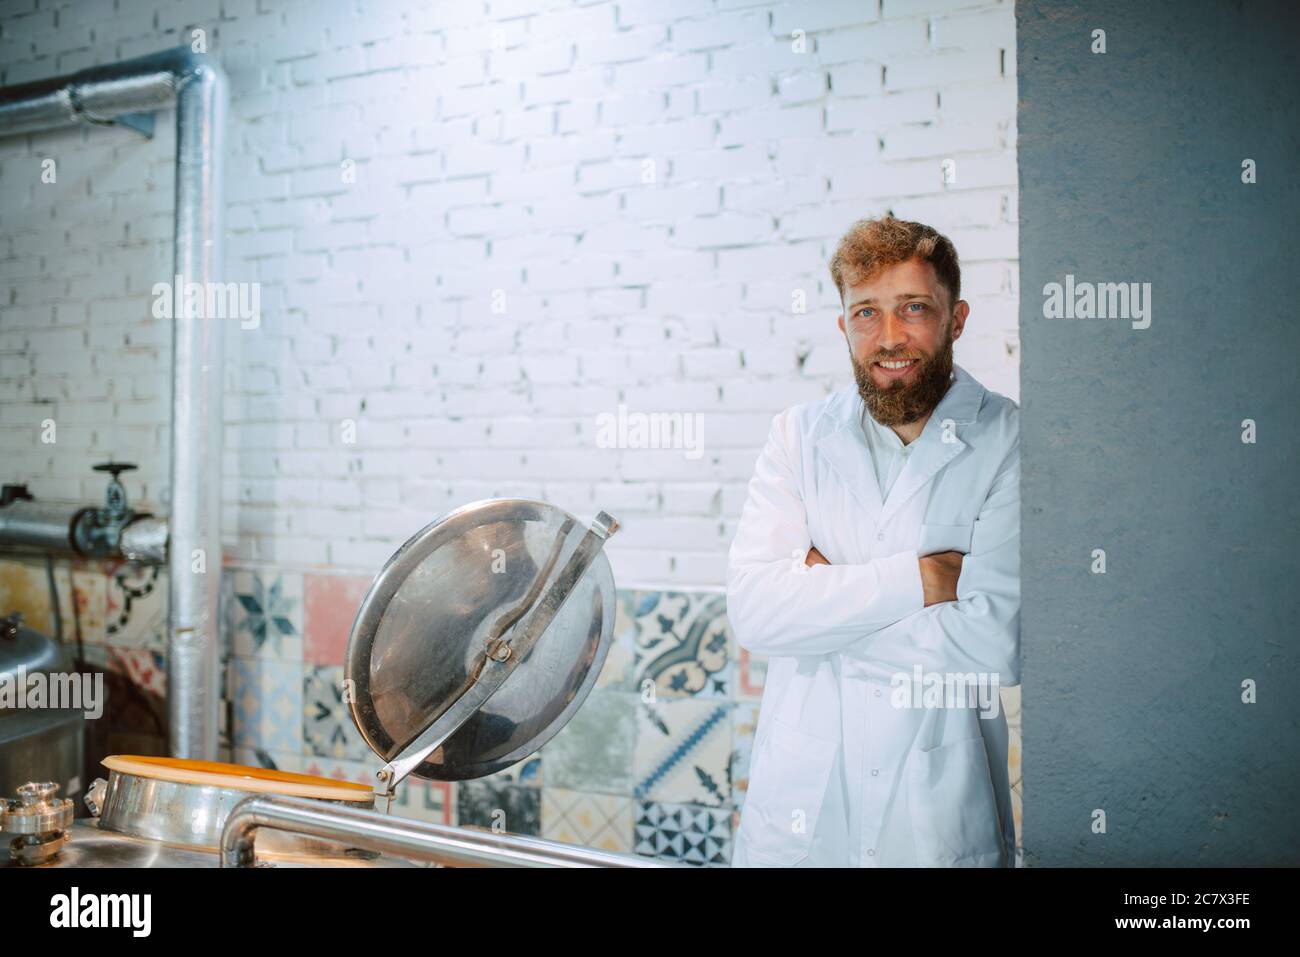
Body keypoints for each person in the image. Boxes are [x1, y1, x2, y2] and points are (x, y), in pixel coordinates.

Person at [727, 216, 1020, 867]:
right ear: (842, 326)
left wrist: (821, 607)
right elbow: (755, 612)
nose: (890, 337)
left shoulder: (1006, 439)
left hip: (936, 821)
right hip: (801, 819)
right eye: (866, 312)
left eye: (914, 307)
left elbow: (999, 644)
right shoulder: (798, 437)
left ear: (957, 317)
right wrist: (920, 583)